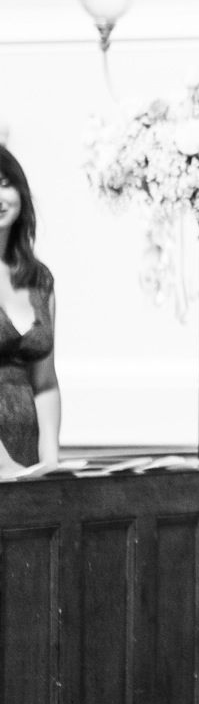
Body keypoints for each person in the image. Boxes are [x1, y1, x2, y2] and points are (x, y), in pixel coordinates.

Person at [0, 145, 60, 475]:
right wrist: (4, 464)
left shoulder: (40, 278)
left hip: (27, 456)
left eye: (5, 183)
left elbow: (46, 382)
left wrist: (50, 463)